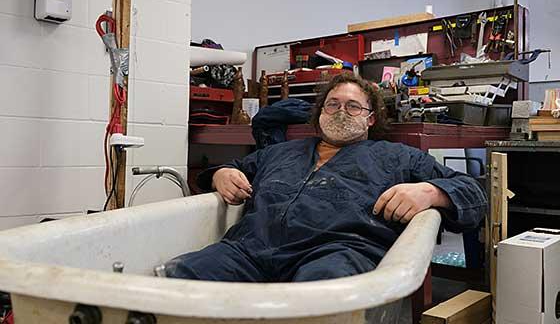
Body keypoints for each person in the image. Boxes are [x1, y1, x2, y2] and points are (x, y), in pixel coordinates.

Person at [164, 72, 487, 282]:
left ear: (371, 118)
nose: (341, 111)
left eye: (353, 106)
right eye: (332, 105)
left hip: (335, 255)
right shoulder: (281, 152)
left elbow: (472, 191)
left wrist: (430, 193)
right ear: (319, 114)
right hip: (249, 250)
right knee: (184, 276)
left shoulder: (397, 157)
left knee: (319, 296)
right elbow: (229, 169)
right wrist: (222, 173)